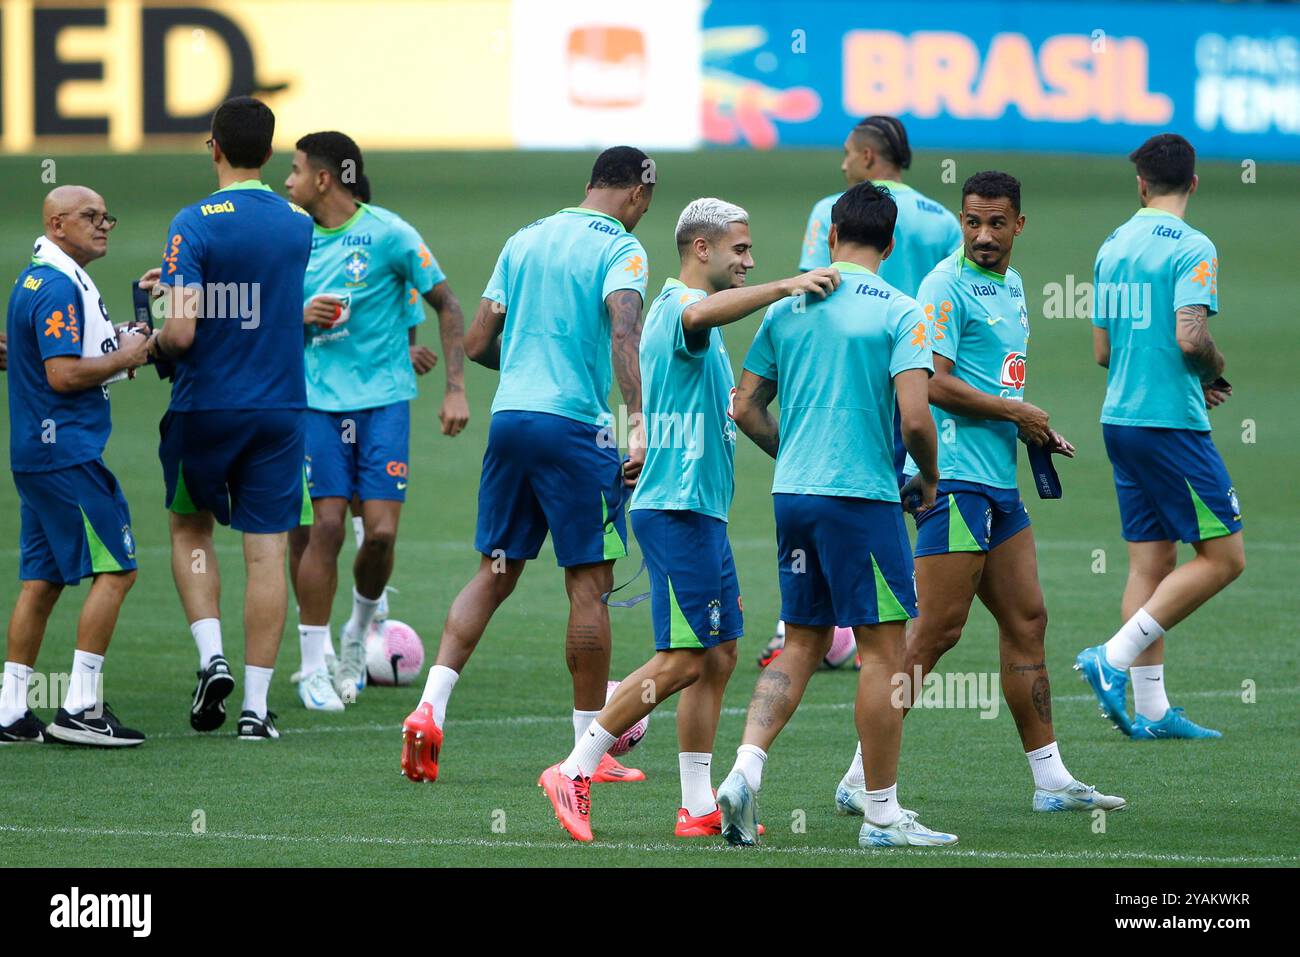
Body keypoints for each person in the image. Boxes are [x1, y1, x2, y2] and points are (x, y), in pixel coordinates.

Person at [538, 197, 841, 841]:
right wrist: (786, 285)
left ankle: (697, 806)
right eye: (740, 249)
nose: (750, 260)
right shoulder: (679, 306)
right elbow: (702, 315)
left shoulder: (696, 325)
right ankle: (574, 768)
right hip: (675, 510)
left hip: (699, 510)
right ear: (701, 248)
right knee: (680, 659)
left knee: (720, 655)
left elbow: (731, 411)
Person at [844, 171, 1124, 815]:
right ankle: (861, 775)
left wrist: (1030, 429)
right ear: (960, 219)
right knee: (934, 633)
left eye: (997, 223)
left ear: (1019, 224)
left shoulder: (1014, 284)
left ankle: (1050, 780)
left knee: (1028, 622)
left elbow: (994, 381)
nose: (984, 235)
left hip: (1000, 484)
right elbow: (930, 381)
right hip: (957, 482)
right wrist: (1014, 411)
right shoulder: (944, 284)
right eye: (973, 221)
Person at [400, 147, 653, 785]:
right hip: (577, 430)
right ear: (638, 196)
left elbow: (479, 340)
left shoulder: (525, 239)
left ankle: (430, 708)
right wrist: (639, 423)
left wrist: (525, 370)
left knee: (494, 571)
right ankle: (583, 757)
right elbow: (625, 335)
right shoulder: (621, 248)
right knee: (588, 586)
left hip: (512, 420)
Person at [718, 181, 955, 848]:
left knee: (801, 640)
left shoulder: (790, 302)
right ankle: (880, 814)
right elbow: (915, 418)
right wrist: (927, 477)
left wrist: (789, 450)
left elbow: (743, 406)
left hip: (794, 495)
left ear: (831, 236)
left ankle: (744, 767)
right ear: (890, 243)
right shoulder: (902, 311)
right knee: (885, 653)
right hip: (861, 499)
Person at [763, 114, 962, 669]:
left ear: (870, 158)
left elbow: (814, 291)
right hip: (907, 376)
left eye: (849, 153)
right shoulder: (943, 220)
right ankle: (860, 623)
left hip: (840, 379)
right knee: (883, 502)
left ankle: (812, 626)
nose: (843, 162)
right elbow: (950, 301)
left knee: (831, 492)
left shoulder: (832, 209)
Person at [145, 95, 314, 741]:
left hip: (205, 405)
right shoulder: (296, 222)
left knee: (190, 530)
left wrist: (150, 337)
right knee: (267, 550)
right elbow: (262, 302)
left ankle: (212, 656)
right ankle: (255, 708)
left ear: (212, 146)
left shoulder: (194, 221)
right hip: (278, 406)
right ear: (269, 154)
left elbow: (183, 331)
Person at [283, 131, 469, 710]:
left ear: (322, 178)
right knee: (327, 527)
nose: (284, 182)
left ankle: (359, 626)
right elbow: (254, 319)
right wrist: (296, 313)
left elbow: (447, 303)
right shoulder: (287, 240)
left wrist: (455, 390)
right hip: (316, 403)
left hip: (384, 402)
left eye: (293, 171)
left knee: (382, 534)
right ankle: (313, 667)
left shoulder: (389, 233)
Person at [1076, 134, 1244, 740]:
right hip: (1169, 423)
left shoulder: (1113, 245)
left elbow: (1102, 351)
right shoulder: (1194, 247)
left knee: (1151, 561)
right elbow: (1192, 338)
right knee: (1225, 558)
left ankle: (1151, 712)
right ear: (1193, 183)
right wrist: (1211, 371)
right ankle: (1111, 659)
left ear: (1141, 184)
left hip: (1120, 418)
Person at [1, 185, 150, 746]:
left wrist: (126, 342)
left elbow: (60, 356)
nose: (104, 224)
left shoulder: (40, 275)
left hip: (37, 454)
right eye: (90, 217)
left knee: (42, 580)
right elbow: (63, 374)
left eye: (106, 215)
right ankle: (81, 709)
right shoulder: (59, 285)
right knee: (119, 569)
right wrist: (127, 356)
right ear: (57, 224)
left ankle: (12, 709)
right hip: (66, 453)